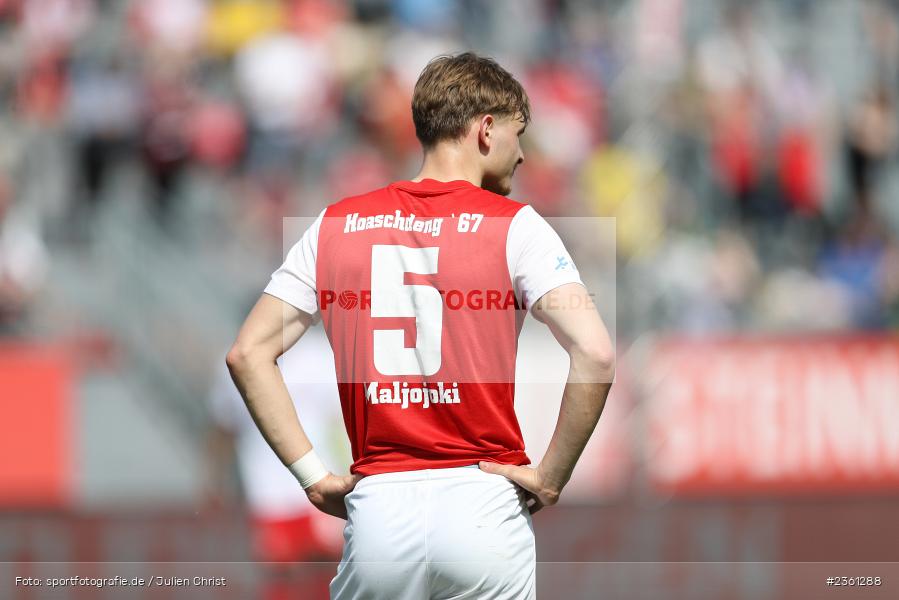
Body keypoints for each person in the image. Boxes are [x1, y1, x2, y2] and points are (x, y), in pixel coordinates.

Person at [226, 52, 615, 599]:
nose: (523, 153)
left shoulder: (336, 224)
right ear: (486, 130)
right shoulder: (517, 227)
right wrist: (551, 476)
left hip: (379, 508)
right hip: (484, 506)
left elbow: (248, 353)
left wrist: (313, 477)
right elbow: (596, 353)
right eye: (518, 134)